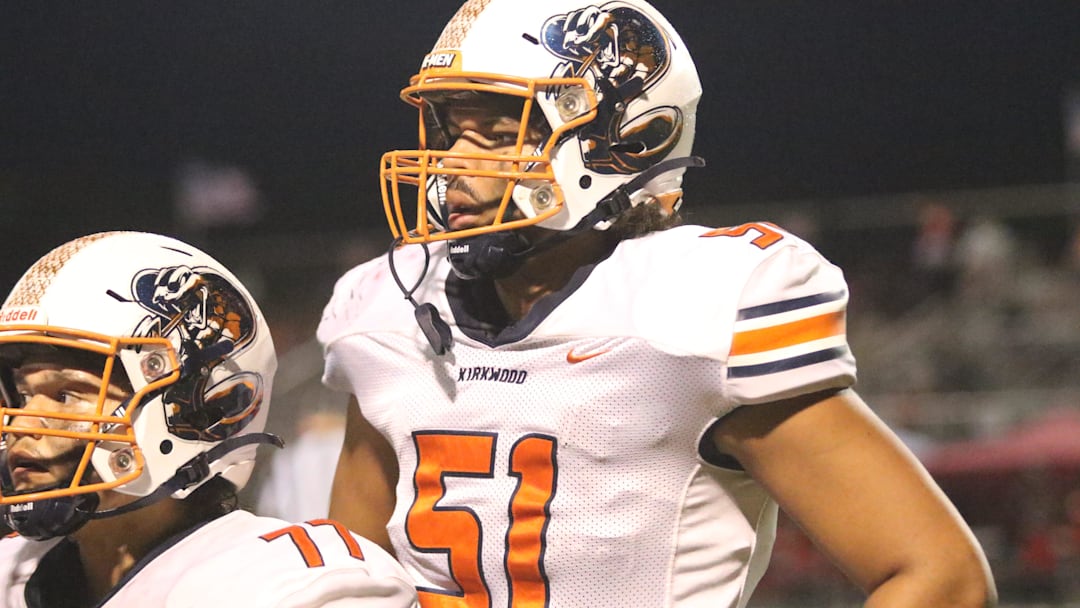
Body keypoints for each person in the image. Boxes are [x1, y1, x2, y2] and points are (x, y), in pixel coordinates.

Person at [318, 1, 997, 606]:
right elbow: (353, 582)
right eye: (450, 129)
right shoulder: (389, 312)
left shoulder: (690, 309)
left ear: (629, 138)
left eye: (499, 134)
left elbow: (941, 576)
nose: (455, 165)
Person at [0, 231, 418, 608]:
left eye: (64, 394)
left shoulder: (286, 587)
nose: (21, 423)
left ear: (193, 407)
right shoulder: (12, 571)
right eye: (21, 396)